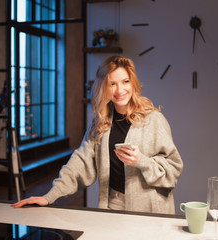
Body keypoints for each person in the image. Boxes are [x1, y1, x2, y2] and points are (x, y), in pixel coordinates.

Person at [12, 55, 183, 214]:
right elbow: (79, 163)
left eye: (125, 81)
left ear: (133, 84)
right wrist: (49, 196)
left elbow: (173, 169)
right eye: (112, 83)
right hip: (113, 205)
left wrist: (141, 161)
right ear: (104, 87)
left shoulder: (153, 120)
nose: (120, 90)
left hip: (150, 209)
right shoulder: (101, 124)